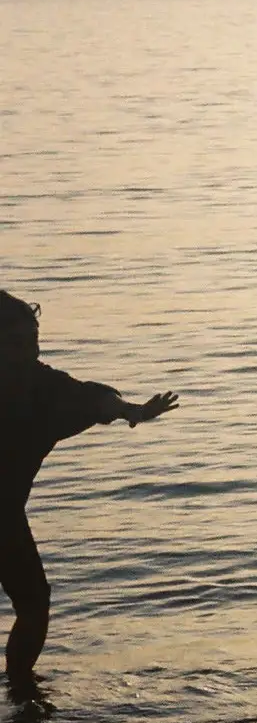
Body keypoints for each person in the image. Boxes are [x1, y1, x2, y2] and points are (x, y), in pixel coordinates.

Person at [0, 291, 178, 688]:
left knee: (34, 605)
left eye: (34, 341)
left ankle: (20, 691)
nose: (29, 352)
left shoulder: (43, 386)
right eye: (16, 343)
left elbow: (95, 398)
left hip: (4, 518)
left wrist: (130, 410)